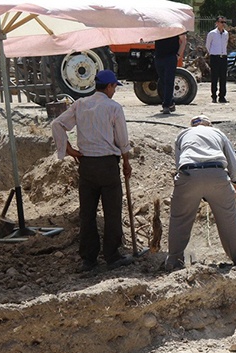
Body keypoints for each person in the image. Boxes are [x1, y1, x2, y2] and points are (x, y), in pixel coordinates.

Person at [51, 70, 134, 272]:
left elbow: (57, 124)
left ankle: (89, 258)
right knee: (112, 211)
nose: (114, 91)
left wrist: (68, 149)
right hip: (107, 165)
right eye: (114, 87)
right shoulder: (113, 107)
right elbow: (122, 139)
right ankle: (112, 255)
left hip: (87, 165)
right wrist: (126, 162)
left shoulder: (80, 104)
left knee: (87, 214)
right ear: (108, 87)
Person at [164, 115, 236, 271]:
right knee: (228, 217)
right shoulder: (218, 133)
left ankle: (173, 261)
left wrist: (192, 186)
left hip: (188, 174)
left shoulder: (183, 134)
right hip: (217, 174)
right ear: (209, 125)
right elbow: (233, 163)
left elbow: (179, 164)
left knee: (180, 219)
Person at [154, 33, 186, 114]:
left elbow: (183, 40)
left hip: (171, 57)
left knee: (169, 80)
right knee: (162, 81)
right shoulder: (158, 26)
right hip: (159, 56)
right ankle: (170, 103)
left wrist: (178, 55)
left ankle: (166, 105)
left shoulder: (175, 26)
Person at [206, 16, 230, 103]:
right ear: (217, 23)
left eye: (224, 22)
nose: (223, 24)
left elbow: (225, 44)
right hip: (215, 57)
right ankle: (214, 96)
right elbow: (208, 45)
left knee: (223, 77)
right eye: (221, 22)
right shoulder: (212, 33)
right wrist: (212, 53)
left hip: (223, 56)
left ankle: (222, 96)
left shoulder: (226, 34)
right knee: (214, 77)